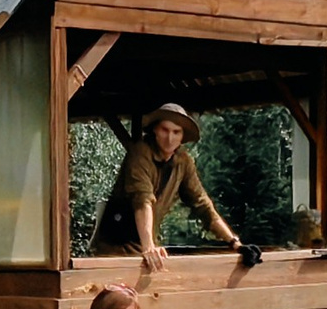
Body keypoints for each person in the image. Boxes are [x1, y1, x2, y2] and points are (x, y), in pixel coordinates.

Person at [90, 104, 243, 271]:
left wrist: (235, 243)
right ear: (155, 130)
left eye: (176, 132)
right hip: (114, 246)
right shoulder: (140, 153)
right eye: (165, 130)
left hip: (143, 247)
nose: (170, 138)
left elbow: (202, 205)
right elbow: (143, 200)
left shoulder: (183, 161)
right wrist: (149, 247)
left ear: (182, 136)